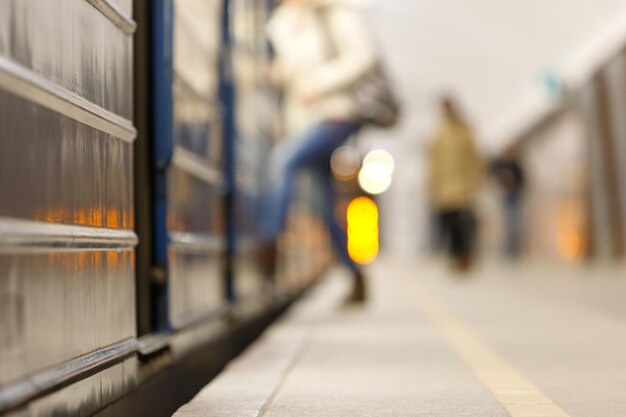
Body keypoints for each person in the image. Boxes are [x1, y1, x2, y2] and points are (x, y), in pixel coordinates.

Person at [259, 0, 380, 302]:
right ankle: (356, 275)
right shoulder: (282, 22)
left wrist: (320, 83)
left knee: (282, 161)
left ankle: (269, 245)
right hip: (303, 120)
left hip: (334, 114)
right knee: (324, 203)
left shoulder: (335, 13)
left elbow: (364, 56)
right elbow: (292, 70)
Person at [428, 96, 483, 271]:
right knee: (448, 222)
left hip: (460, 185)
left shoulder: (464, 132)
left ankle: (464, 255)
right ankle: (454, 255)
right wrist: (432, 183)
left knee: (462, 223)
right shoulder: (440, 133)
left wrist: (475, 180)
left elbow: (474, 159)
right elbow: (434, 161)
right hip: (445, 186)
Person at [491, 144, 525, 258]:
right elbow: (493, 177)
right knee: (506, 224)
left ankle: (511, 250)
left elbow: (522, 180)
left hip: (513, 197)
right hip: (502, 197)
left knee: (513, 224)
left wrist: (515, 187)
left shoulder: (515, 165)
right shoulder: (499, 164)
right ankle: (506, 249)